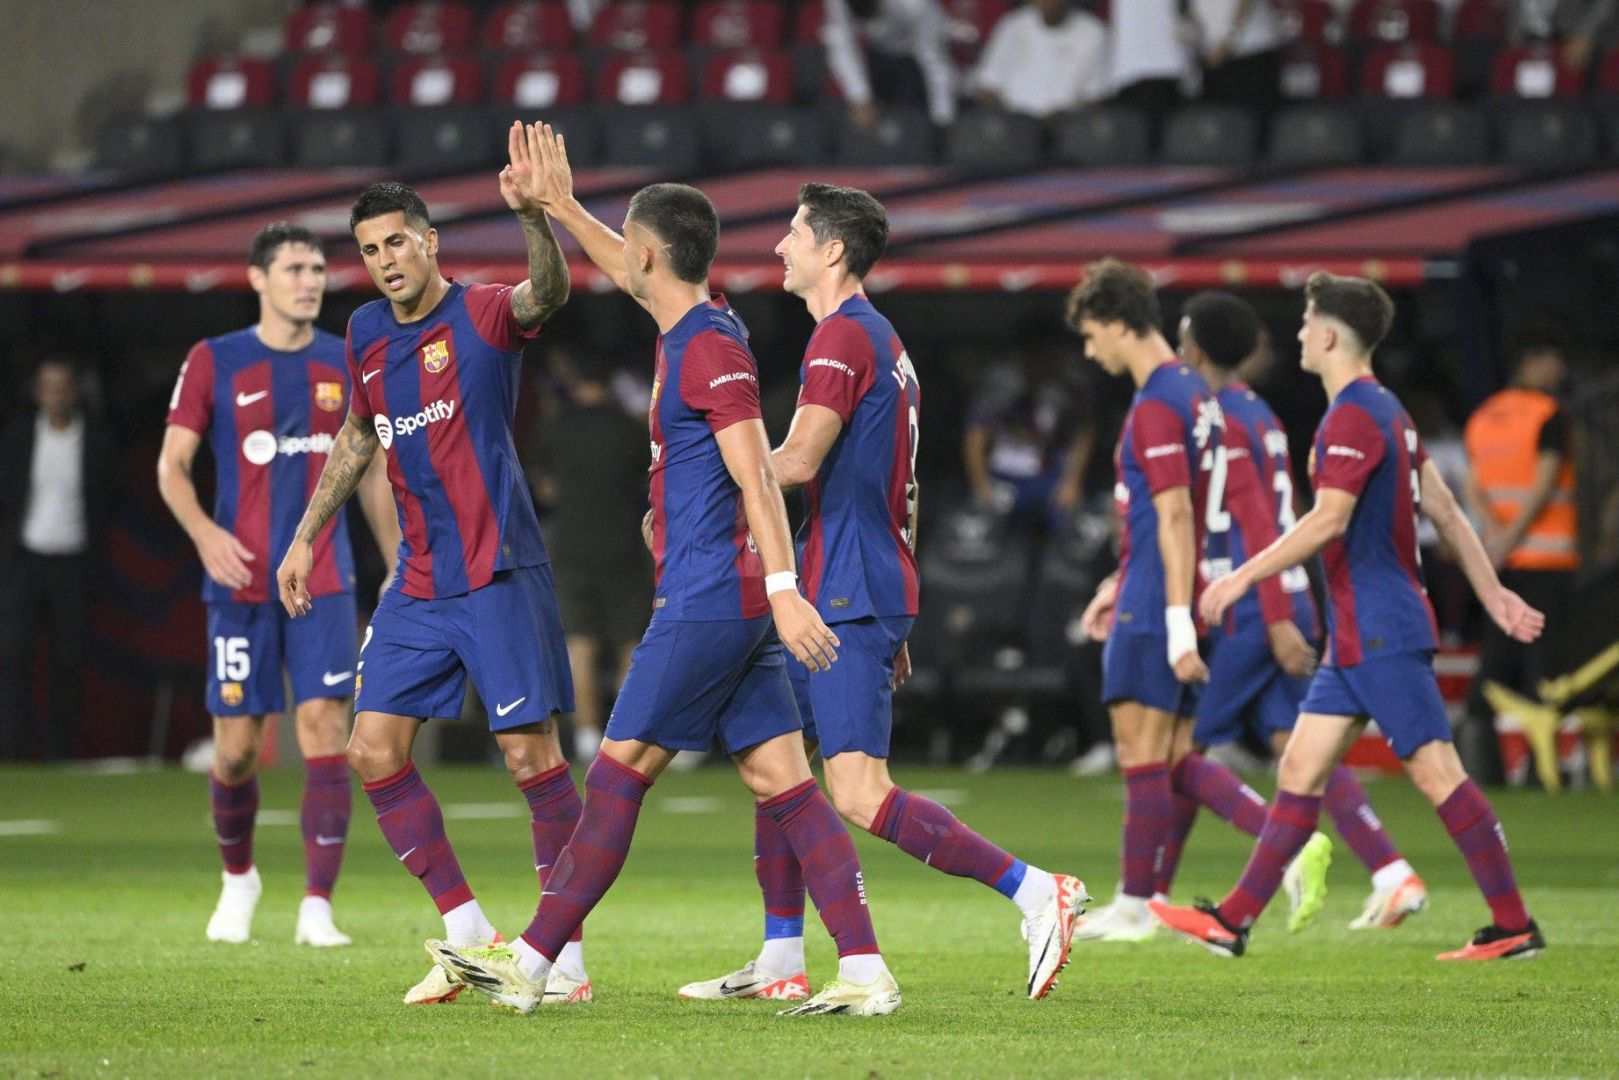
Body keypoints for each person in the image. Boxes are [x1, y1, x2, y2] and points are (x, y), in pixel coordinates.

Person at [424, 127, 900, 1019]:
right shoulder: (693, 321)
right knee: (784, 786)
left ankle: (531, 964)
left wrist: (785, 589)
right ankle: (867, 968)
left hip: (712, 600)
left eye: (627, 250)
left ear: (648, 254)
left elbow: (759, 471)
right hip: (724, 593)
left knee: (615, 774)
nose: (621, 265)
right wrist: (558, 208)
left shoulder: (707, 348)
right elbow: (631, 270)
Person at [676, 183, 1087, 1006]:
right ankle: (781, 955)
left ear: (832, 250)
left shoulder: (841, 339)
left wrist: (692, 469)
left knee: (857, 792)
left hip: (845, 589)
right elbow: (897, 484)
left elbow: (791, 465)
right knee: (773, 761)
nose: (783, 243)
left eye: (794, 231)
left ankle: (1036, 890)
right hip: (859, 580)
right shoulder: (878, 340)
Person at [1152, 272, 1547, 962]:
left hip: (1380, 627)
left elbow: (1327, 519)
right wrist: (1493, 596)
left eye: (1306, 323)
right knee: (1300, 769)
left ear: (1328, 333)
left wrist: (1241, 578)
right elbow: (1446, 511)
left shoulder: (1352, 416)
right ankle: (1234, 920)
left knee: (1437, 773)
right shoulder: (1385, 408)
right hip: (1356, 631)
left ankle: (1512, 923)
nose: (1299, 335)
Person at [275, 132, 586, 1006]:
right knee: (370, 748)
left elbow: (547, 292)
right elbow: (357, 434)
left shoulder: (483, 313)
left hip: (498, 570)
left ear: (429, 240)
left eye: (396, 242)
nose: (384, 262)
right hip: (418, 578)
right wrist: (305, 535)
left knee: (531, 759)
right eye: (370, 250)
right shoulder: (365, 332)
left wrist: (535, 221)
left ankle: (566, 963)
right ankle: (467, 934)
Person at [159, 223, 402, 948]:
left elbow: (374, 472)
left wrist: (395, 563)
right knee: (235, 748)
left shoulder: (346, 360)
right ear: (258, 279)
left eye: (318, 268)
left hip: (325, 580)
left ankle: (317, 906)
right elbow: (172, 465)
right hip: (239, 584)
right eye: (294, 268)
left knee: (326, 731)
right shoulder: (215, 360)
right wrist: (206, 535)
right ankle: (239, 879)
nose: (310, 280)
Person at [1175, 290, 1426, 932]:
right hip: (1284, 596)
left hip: (1259, 608)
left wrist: (1276, 613)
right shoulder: (1256, 411)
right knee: (1302, 749)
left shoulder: (1221, 417)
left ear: (1193, 349)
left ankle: (1144, 895)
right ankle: (1393, 872)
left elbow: (1257, 518)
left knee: (1175, 749)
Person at [1065, 259, 1292, 944]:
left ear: (1114, 322)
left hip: (1162, 592)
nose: (1088, 349)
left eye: (1088, 334)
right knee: (1168, 754)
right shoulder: (1198, 393)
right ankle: (1147, 894)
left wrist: (1169, 621)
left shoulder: (1160, 399)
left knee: (1141, 748)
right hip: (1179, 584)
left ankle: (1265, 847)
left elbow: (1173, 515)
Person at [528, 347, 654, 763]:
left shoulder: (555, 426)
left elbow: (543, 487)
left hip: (571, 547)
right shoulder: (629, 429)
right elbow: (647, 483)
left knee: (579, 645)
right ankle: (629, 736)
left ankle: (585, 738)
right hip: (624, 545)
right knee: (630, 645)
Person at [1461, 342, 1577, 784]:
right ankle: (1538, 769)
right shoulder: (1549, 415)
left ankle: (1479, 762)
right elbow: (1545, 484)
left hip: (1499, 561)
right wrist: (1514, 535)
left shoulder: (1485, 415)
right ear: (1532, 361)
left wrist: (1496, 535)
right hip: (1547, 559)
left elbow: (1472, 487)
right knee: (1541, 662)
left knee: (1495, 655)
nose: (1559, 369)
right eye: (1554, 359)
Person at [0, 358, 114, 761]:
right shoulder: (18, 437)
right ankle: (11, 754)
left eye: (63, 386)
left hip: (73, 563)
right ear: (36, 392)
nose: (56, 395)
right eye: (48, 386)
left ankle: (60, 754)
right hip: (26, 563)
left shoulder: (96, 440)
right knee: (13, 658)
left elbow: (107, 504)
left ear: (76, 391)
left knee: (67, 662)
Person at [963, 323, 1095, 531]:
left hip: (1051, 476)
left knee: (1073, 525)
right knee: (985, 529)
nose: (1046, 358)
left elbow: (1084, 432)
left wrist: (1073, 481)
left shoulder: (1069, 384)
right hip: (1005, 475)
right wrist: (981, 486)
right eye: (1039, 351)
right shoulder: (1002, 382)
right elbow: (975, 435)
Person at [823, 0, 957, 129]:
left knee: (909, 123)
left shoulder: (917, 5)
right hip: (875, 54)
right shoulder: (839, 2)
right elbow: (840, 44)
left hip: (912, 57)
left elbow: (934, 60)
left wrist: (942, 116)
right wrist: (860, 97)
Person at [970, 0, 1109, 119]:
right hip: (1012, 127)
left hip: (1068, 130)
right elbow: (988, 85)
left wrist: (1064, 118)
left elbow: (1095, 97)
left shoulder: (1094, 31)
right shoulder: (1013, 24)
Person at [1188, 0, 1283, 114]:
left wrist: (1230, 37)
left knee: (1253, 119)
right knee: (1218, 119)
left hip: (1250, 52)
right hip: (1211, 56)